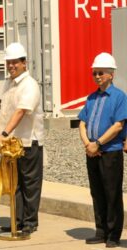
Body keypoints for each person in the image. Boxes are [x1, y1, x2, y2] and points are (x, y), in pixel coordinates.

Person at [0, 42, 44, 234]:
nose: (11, 66)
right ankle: (18, 220)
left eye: (15, 62)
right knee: (14, 183)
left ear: (25, 63)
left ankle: (30, 222)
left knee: (30, 183)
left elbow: (21, 111)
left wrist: (4, 133)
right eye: (9, 62)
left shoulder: (29, 85)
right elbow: (5, 112)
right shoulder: (8, 83)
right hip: (11, 144)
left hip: (28, 142)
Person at [78, 52, 127, 248]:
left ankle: (114, 234)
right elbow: (82, 122)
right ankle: (101, 231)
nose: (97, 76)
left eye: (101, 73)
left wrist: (97, 143)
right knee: (97, 192)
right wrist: (88, 145)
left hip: (110, 151)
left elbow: (118, 126)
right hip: (92, 152)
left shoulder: (119, 97)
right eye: (94, 73)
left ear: (111, 74)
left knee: (112, 193)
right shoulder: (91, 98)